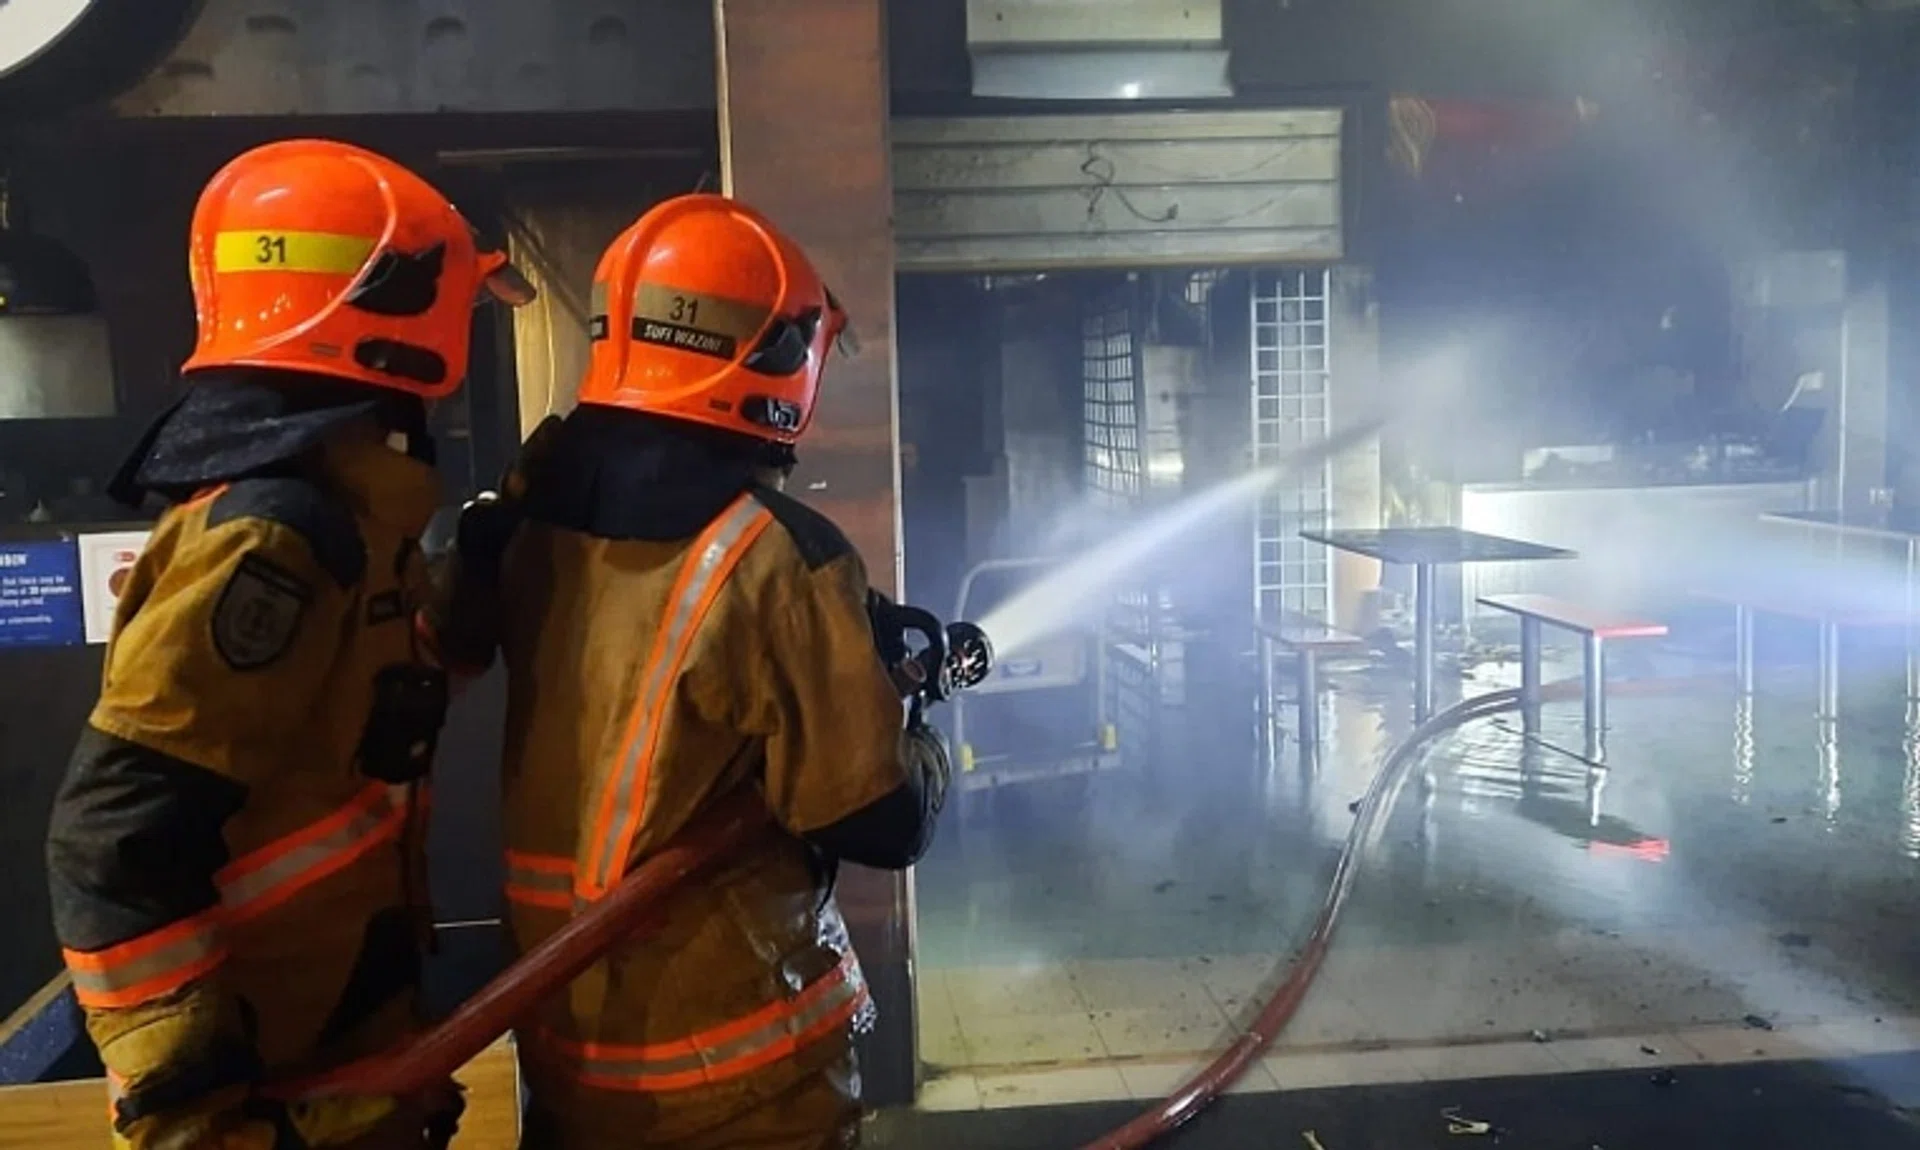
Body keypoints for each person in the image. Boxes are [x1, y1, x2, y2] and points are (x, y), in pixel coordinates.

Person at [427, 193, 951, 1149]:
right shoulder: (778, 556)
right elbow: (876, 819)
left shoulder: (527, 518)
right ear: (780, 357)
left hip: (563, 1049)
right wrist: (914, 731)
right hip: (737, 1087)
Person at [45, 138, 533, 1150]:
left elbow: (383, 691)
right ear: (390, 315)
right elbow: (111, 835)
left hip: (330, 1021)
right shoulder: (278, 535)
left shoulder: (352, 517)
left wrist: (481, 574)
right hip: (265, 1066)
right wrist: (189, 1088)